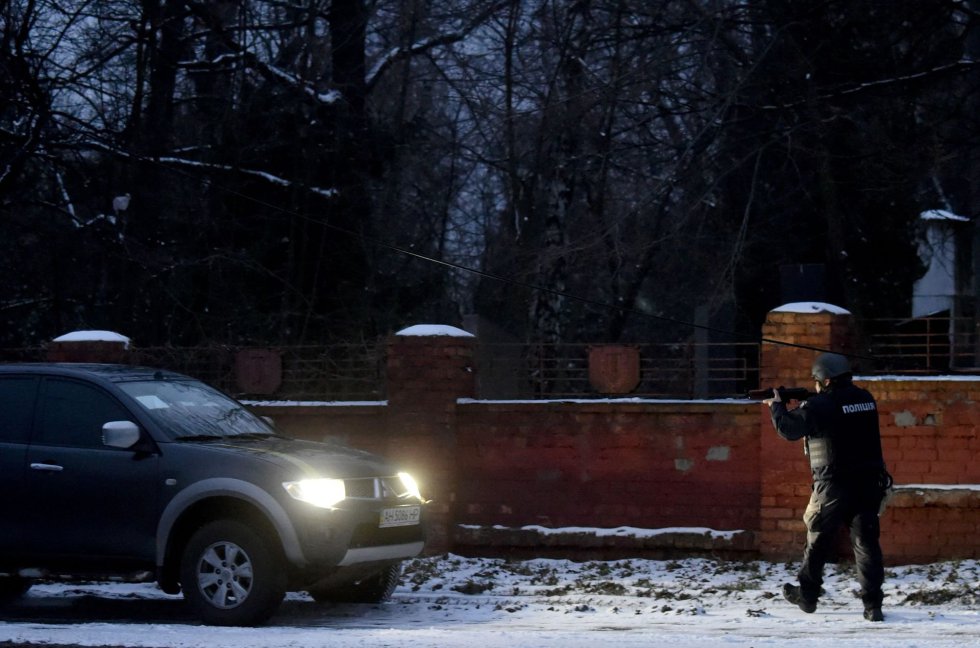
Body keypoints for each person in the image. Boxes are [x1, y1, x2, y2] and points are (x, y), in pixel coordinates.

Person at [763, 352, 891, 622]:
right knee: (866, 545)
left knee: (818, 540)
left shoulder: (821, 405)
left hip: (833, 486)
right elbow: (838, 413)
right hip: (868, 484)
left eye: (817, 382)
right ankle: (873, 605)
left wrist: (777, 405)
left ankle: (808, 596)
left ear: (827, 379)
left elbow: (789, 429)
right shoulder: (865, 399)